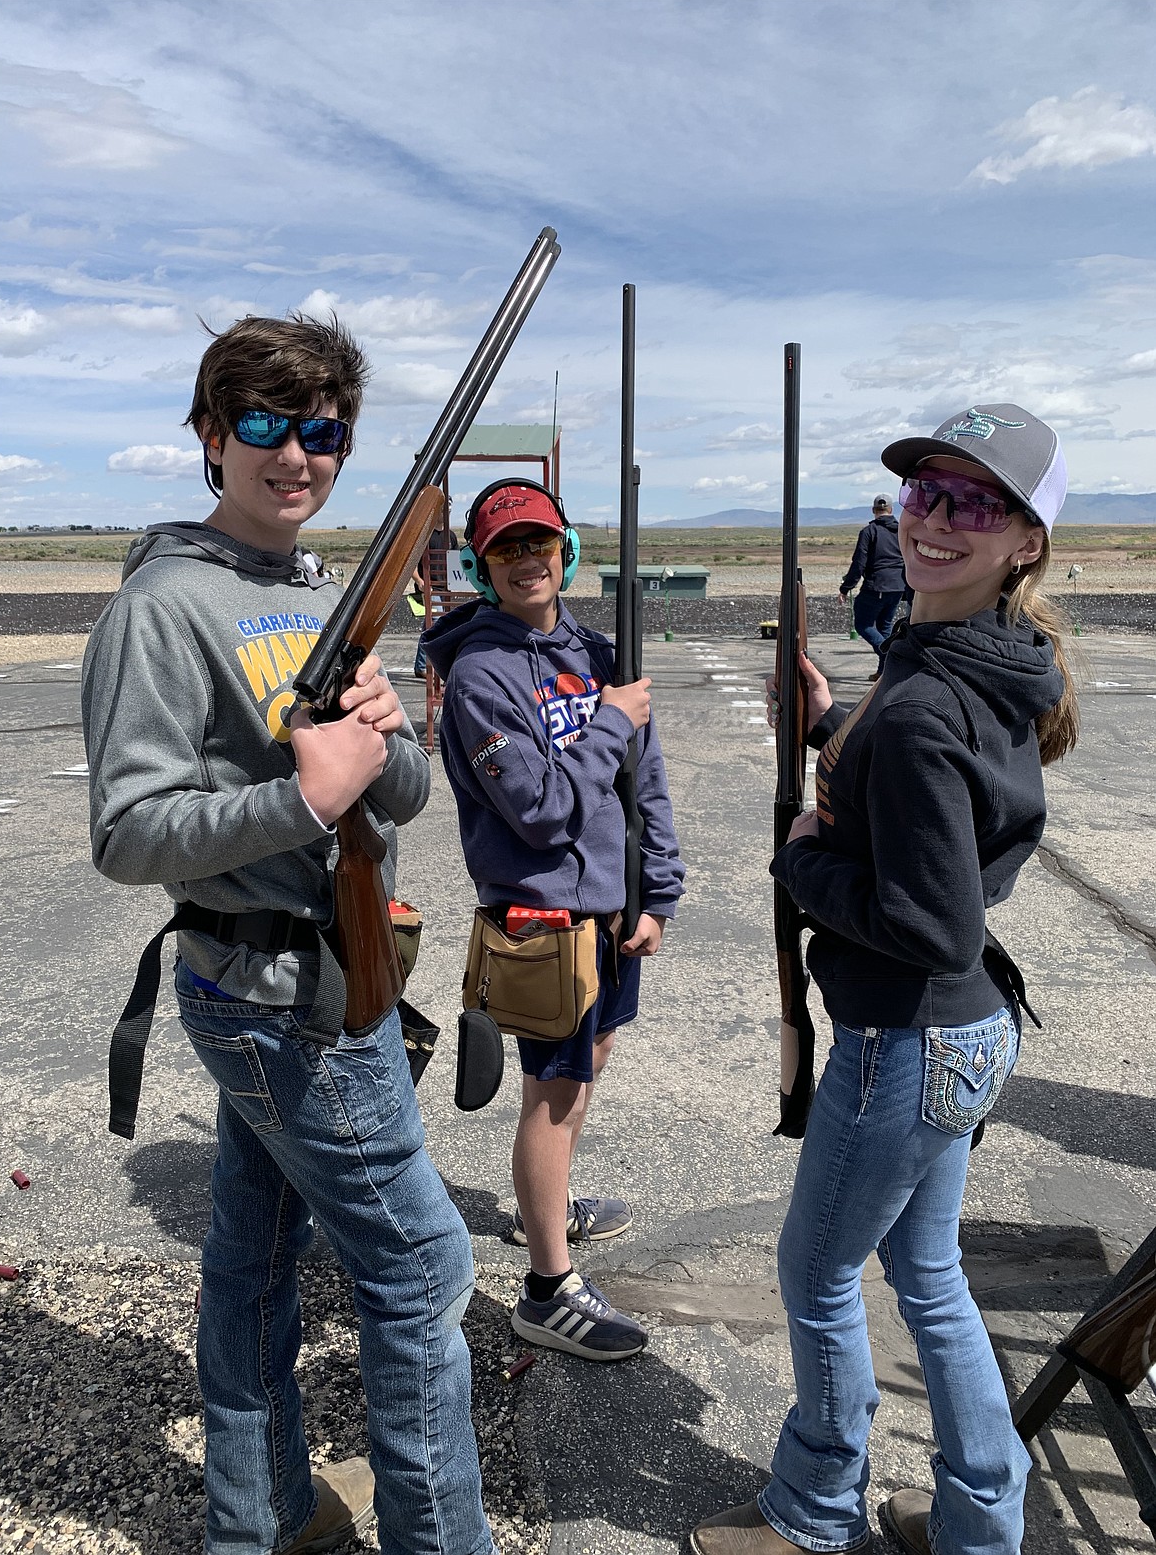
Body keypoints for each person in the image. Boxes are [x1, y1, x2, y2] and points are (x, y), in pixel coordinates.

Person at [82, 314, 495, 1555]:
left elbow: (409, 795)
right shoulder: (167, 605)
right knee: (424, 1270)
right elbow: (126, 833)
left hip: (323, 972)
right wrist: (302, 796)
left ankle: (256, 1515)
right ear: (212, 434)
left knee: (254, 1261)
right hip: (275, 994)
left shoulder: (322, 591)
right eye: (263, 423)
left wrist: (383, 738)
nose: (295, 454)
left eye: (322, 431)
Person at [691, 403, 1079, 1555]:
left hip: (904, 1036)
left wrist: (804, 860)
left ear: (1026, 540)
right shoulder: (994, 660)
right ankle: (978, 1523)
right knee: (928, 1271)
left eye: (975, 502)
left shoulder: (920, 703)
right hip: (966, 1035)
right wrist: (829, 728)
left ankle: (813, 1511)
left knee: (814, 1277)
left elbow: (930, 921)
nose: (934, 519)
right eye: (923, 493)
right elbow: (923, 784)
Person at [423, 480, 685, 1362]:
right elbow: (537, 808)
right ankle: (546, 1286)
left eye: (539, 542)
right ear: (481, 566)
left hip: (610, 915)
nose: (526, 559)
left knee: (588, 1069)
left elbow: (643, 785)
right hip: (544, 918)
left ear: (565, 549)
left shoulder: (597, 652)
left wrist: (656, 895)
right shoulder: (479, 676)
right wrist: (610, 721)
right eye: (505, 550)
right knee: (555, 1091)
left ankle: (552, 1198)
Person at [838, 495, 906, 678]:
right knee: (884, 627)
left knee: (863, 625)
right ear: (891, 510)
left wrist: (846, 587)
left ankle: (888, 655)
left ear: (873, 510)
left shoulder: (869, 531)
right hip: (898, 586)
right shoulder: (902, 531)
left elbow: (859, 562)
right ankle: (884, 672)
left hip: (877, 586)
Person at [412, 510, 460, 676]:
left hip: (446, 588)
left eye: (448, 509)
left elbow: (456, 562)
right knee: (435, 623)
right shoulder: (426, 536)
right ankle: (423, 666)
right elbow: (412, 561)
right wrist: (420, 581)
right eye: (444, 508)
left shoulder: (451, 536)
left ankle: (423, 665)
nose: (447, 512)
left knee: (434, 626)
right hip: (431, 588)